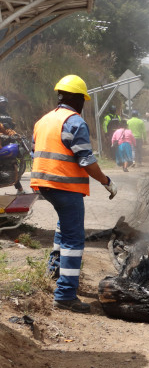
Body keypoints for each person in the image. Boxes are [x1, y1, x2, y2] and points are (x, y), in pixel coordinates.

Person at [30, 75, 117, 314]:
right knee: (73, 239)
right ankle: (66, 295)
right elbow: (86, 160)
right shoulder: (74, 121)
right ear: (78, 99)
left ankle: (54, 271)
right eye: (83, 99)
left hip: (43, 184)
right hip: (65, 186)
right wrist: (106, 181)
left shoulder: (44, 120)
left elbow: (35, 151)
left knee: (63, 226)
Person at [0, 95, 25, 194]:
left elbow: (9, 129)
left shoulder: (7, 115)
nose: (3, 105)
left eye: (5, 103)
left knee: (10, 163)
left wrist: (16, 135)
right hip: (1, 142)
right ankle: (20, 189)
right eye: (2, 103)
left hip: (7, 143)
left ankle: (20, 189)